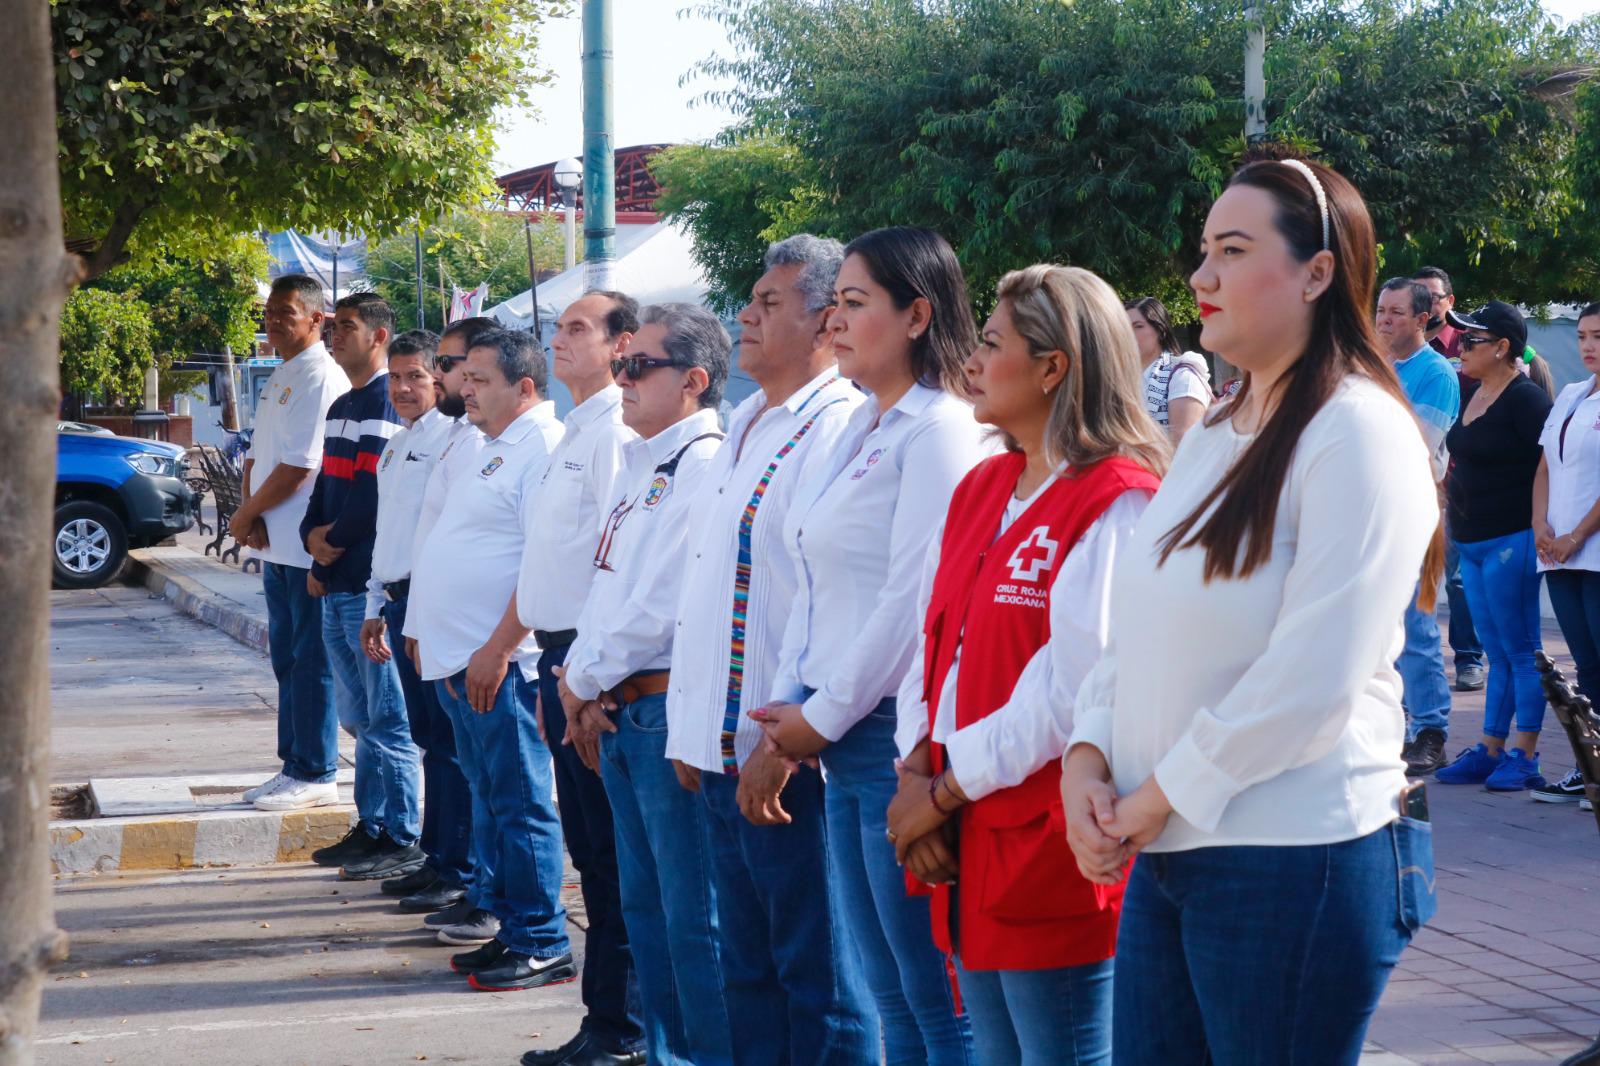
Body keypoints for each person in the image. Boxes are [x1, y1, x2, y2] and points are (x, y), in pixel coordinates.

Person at [1062, 154, 1440, 1065]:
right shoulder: (1219, 431)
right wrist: (1088, 753)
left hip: (1289, 857)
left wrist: (1155, 796)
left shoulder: (1357, 428)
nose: (1201, 277)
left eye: (1232, 251)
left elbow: (1315, 678)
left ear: (1317, 273)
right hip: (1173, 845)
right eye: (1203, 251)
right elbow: (1139, 624)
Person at [886, 264, 1167, 1066]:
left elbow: (1074, 691)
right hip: (969, 824)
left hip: (1050, 844)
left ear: (1055, 367)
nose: (970, 361)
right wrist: (918, 771)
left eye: (991, 343)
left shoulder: (1117, 498)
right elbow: (934, 642)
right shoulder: (986, 483)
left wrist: (942, 792)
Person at [755, 226, 989, 1066]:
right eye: (835, 305)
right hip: (837, 729)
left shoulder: (941, 432)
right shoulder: (864, 426)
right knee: (887, 985)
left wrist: (820, 716)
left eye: (855, 304)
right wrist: (793, 706)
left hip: (889, 731)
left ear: (918, 313)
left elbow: (913, 600)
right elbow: (807, 578)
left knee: (934, 993)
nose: (834, 323)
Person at [665, 236, 878, 1065]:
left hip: (790, 758)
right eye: (749, 300)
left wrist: (781, 747)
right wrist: (694, 729)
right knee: (746, 971)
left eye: (768, 303)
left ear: (828, 321)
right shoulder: (746, 422)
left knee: (821, 981)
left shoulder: (836, 429)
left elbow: (829, 606)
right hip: (722, 751)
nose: (744, 318)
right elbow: (709, 590)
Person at [555, 303, 734, 1065]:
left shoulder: (702, 465)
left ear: (693, 381)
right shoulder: (640, 463)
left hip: (659, 709)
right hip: (616, 710)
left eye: (640, 366)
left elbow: (663, 607)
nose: (622, 376)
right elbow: (606, 592)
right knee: (647, 911)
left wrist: (584, 680)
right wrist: (579, 684)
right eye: (622, 364)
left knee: (692, 920)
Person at [408, 329, 573, 992]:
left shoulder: (541, 448)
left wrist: (499, 648)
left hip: (498, 666)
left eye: (479, 378)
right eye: (465, 377)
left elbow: (542, 563)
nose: (464, 388)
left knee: (521, 802)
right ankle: (511, 925)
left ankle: (541, 939)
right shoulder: (492, 446)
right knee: (490, 799)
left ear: (525, 387)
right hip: (462, 660)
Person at [515, 291, 646, 1066]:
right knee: (592, 855)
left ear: (619, 344)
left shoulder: (610, 435)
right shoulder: (580, 429)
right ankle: (607, 1020)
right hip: (562, 657)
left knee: (612, 858)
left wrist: (584, 683)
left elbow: (611, 568)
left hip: (589, 664)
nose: (557, 340)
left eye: (576, 329)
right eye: (557, 327)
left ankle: (619, 1027)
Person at [283, 293, 421, 884]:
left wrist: (329, 547)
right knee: (359, 718)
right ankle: (371, 824)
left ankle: (400, 833)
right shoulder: (342, 404)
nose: (334, 336)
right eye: (333, 326)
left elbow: (370, 495)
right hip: (335, 581)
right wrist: (309, 536)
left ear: (379, 337)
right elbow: (324, 486)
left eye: (346, 327)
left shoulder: (386, 404)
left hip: (365, 584)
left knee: (388, 719)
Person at [355, 329, 476, 914]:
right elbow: (391, 532)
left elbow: (443, 539)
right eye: (396, 377)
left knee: (449, 744)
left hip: (432, 606)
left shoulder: (457, 439)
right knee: (429, 738)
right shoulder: (397, 443)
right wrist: (376, 606)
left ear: (439, 379)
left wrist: (417, 614)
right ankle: (438, 857)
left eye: (417, 377)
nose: (403, 388)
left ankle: (459, 865)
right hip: (399, 599)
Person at [400, 315, 502, 944]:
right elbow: (428, 537)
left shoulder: (515, 442)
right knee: (459, 763)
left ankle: (499, 904)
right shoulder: (464, 437)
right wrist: (414, 617)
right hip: (442, 626)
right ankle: (469, 880)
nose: (440, 377)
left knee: (501, 792)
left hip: (488, 646)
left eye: (447, 365)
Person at [237, 275, 349, 811]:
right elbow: (258, 454)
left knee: (311, 660)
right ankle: (293, 765)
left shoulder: (320, 377)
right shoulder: (281, 373)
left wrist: (247, 512)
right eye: (269, 311)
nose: (273, 320)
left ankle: (316, 769)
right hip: (272, 541)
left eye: (285, 312)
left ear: (315, 319)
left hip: (304, 545)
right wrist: (247, 514)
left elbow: (302, 466)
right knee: (287, 658)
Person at [1433, 302, 1553, 791]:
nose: (1460, 347)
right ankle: (1490, 747)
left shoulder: (1526, 400)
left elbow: (1553, 465)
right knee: (1497, 652)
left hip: (1511, 538)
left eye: (1471, 341)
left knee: (1522, 650)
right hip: (1474, 538)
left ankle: (1524, 754)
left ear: (1502, 348)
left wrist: (1544, 524)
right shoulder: (1474, 392)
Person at [1375, 277, 1459, 776]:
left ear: (1424, 319)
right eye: (1381, 311)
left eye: (1396, 313)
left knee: (1417, 623)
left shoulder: (1436, 373)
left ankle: (1431, 730)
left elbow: (1417, 447)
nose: (1384, 321)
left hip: (1414, 509)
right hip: (1369, 510)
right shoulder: (1372, 365)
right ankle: (1394, 722)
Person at [1534, 302, 1600, 806]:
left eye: (1597, 336)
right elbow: (1544, 467)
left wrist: (1575, 535)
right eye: (1581, 336)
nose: (1587, 346)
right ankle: (1589, 766)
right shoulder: (1574, 394)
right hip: (1559, 550)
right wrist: (1541, 524)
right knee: (1584, 663)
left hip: (1590, 547)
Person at [1414, 265, 1486, 692]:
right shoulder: (1399, 352)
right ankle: (1419, 668)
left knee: (1456, 577)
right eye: (1417, 294)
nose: (1425, 302)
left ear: (1449, 302)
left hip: (1458, 479)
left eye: (1433, 295)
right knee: (1419, 578)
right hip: (1416, 482)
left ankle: (1468, 657)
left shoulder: (1468, 345)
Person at [1125, 296, 1212, 444]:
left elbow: (1184, 448)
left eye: (1138, 326)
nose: (1129, 334)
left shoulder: (1183, 376)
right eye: (1124, 327)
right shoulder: (1120, 378)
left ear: (1160, 330)